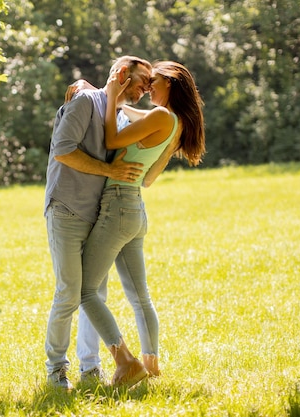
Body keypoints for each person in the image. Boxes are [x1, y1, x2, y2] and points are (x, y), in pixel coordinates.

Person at [75, 61, 206, 386]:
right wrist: (108, 95)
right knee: (139, 296)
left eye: (155, 82)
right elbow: (148, 179)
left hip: (117, 207)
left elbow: (111, 138)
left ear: (171, 85)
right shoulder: (173, 124)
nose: (149, 88)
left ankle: (126, 362)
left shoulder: (160, 116)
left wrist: (109, 97)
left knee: (85, 289)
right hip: (135, 208)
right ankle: (151, 364)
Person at [44, 56, 153, 390]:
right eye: (142, 81)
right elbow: (63, 150)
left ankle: (91, 368)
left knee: (95, 294)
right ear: (121, 74)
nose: (146, 89)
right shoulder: (85, 102)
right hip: (66, 208)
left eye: (150, 84)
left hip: (98, 215)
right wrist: (110, 171)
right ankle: (56, 369)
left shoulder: (116, 117)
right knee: (68, 293)